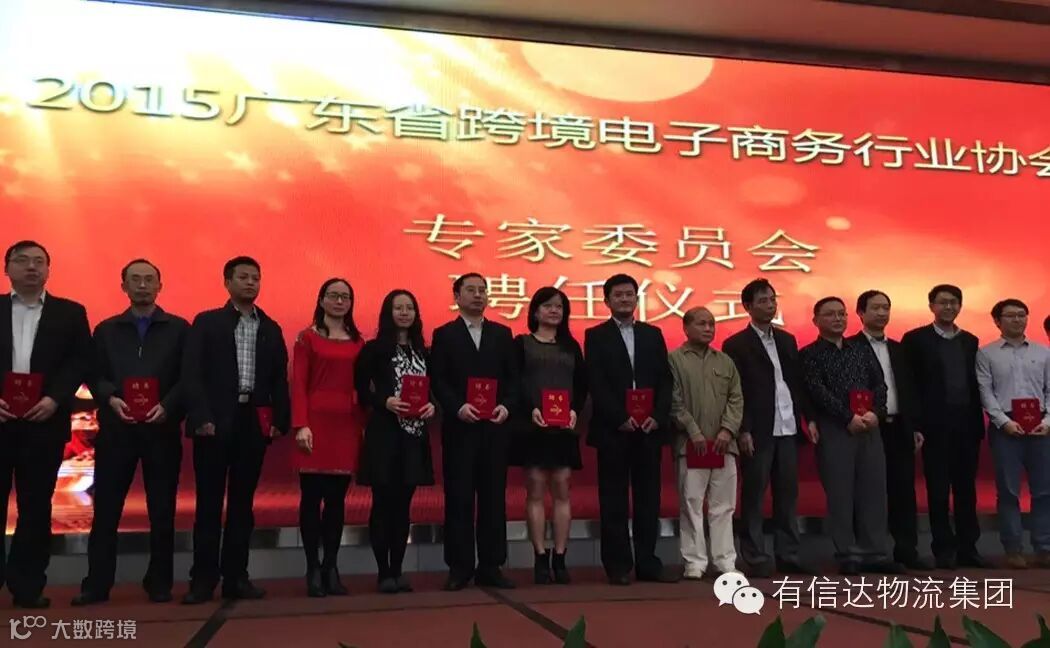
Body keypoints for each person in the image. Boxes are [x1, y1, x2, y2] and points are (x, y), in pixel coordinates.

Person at [74, 260, 189, 606]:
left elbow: (189, 376)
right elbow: (92, 373)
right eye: (135, 280)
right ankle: (97, 584)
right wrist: (110, 397)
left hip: (162, 429)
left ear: (160, 286)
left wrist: (168, 405)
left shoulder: (180, 329)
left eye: (149, 279)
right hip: (117, 430)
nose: (142, 285)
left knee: (162, 510)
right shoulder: (106, 330)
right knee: (106, 510)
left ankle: (159, 582)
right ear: (123, 286)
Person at [181, 256, 290, 604]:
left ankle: (236, 578)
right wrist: (201, 416)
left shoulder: (270, 327)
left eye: (256, 277)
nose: (250, 283)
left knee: (243, 505)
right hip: (213, 422)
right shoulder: (208, 322)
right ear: (227, 282)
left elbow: (279, 379)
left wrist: (279, 421)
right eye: (243, 277)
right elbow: (191, 373)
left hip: (251, 423)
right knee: (209, 505)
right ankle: (202, 580)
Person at [0, 240, 91, 609]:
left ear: (48, 270)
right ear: (7, 268)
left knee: (36, 506)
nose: (31, 267)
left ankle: (27, 586)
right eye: (22, 261)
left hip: (45, 422)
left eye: (39, 261)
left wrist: (54, 399)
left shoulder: (70, 313)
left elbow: (80, 361)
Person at [585, 274, 675, 585]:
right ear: (606, 301)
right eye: (618, 295)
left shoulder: (653, 334)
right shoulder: (595, 336)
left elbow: (665, 380)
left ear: (637, 299)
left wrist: (658, 416)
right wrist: (618, 416)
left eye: (629, 295)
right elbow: (596, 382)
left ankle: (648, 563)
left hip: (649, 430)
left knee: (648, 499)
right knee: (614, 500)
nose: (624, 299)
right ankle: (618, 565)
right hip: (614, 430)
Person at [722, 279, 815, 578]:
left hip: (787, 426)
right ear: (747, 306)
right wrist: (743, 429)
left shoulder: (787, 340)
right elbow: (736, 391)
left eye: (772, 299)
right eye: (762, 301)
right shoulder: (736, 345)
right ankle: (755, 556)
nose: (770, 305)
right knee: (754, 495)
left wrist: (807, 418)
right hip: (758, 430)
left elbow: (796, 384)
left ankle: (788, 554)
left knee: (787, 495)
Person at [430, 273, 519, 591]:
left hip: (495, 428)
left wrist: (506, 406)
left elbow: (513, 379)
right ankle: (459, 567)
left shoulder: (502, 334)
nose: (478, 295)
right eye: (471, 290)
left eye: (483, 290)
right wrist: (457, 407)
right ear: (457, 296)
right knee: (459, 498)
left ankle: (491, 565)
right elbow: (438, 379)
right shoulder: (444, 335)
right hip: (460, 428)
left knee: (494, 498)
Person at [801, 297, 901, 575]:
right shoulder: (809, 354)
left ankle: (874, 552)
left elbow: (879, 384)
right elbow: (817, 391)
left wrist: (876, 413)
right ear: (816, 320)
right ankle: (847, 552)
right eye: (830, 314)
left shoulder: (861, 349)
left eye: (841, 314)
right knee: (840, 493)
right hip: (835, 427)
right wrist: (847, 417)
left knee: (873, 490)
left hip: (869, 425)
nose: (837, 319)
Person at [354, 289, 436, 594]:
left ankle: (399, 570)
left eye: (409, 308)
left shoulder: (423, 351)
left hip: (414, 436)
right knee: (383, 503)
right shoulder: (374, 349)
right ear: (388, 313)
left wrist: (433, 406)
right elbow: (361, 389)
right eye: (398, 308)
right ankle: (383, 572)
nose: (404, 313)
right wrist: (384, 401)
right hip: (384, 435)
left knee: (403, 506)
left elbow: (434, 389)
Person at [901, 285, 988, 569]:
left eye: (954, 302)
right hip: (934, 426)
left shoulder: (970, 341)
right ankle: (943, 549)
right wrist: (914, 424)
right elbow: (909, 386)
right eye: (942, 302)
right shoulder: (915, 340)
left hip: (967, 425)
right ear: (931, 306)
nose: (948, 307)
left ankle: (968, 548)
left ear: (960, 306)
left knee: (966, 490)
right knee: (938, 490)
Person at [291, 278, 365, 597]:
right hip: (315, 423)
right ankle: (312, 567)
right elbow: (298, 384)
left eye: (345, 297)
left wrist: (363, 425)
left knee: (336, 502)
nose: (339, 301)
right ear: (321, 300)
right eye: (333, 296)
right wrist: (301, 424)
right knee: (311, 499)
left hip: (346, 424)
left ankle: (330, 567)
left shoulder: (358, 342)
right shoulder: (307, 338)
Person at [509, 287, 587, 585]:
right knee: (536, 489)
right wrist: (530, 409)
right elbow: (515, 383)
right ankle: (540, 556)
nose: (554, 311)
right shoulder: (522, 344)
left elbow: (581, 385)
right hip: (533, 426)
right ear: (535, 311)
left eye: (559, 307)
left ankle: (561, 556)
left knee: (563, 488)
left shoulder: (571, 346)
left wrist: (575, 410)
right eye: (548, 306)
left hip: (564, 427)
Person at [850, 290, 932, 570]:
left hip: (899, 427)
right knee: (868, 491)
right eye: (875, 308)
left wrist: (915, 426)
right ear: (860, 313)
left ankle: (907, 550)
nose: (882, 313)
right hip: (867, 428)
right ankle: (870, 551)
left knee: (903, 491)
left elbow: (910, 390)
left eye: (886, 307)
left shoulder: (900, 349)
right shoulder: (849, 348)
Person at [668, 307, 743, 580]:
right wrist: (693, 431)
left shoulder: (725, 361)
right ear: (685, 327)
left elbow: (736, 398)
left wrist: (727, 430)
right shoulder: (674, 360)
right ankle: (695, 562)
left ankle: (724, 561)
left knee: (724, 506)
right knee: (691, 504)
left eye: (711, 324)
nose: (708, 328)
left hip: (724, 445)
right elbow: (673, 400)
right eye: (701, 324)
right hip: (690, 445)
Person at [975, 299, 1050, 569]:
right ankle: (1013, 548)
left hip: (1041, 426)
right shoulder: (986, 354)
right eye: (1010, 316)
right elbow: (985, 392)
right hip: (1005, 427)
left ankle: (1044, 547)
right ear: (997, 321)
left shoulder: (1044, 352)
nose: (1017, 320)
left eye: (1022, 315)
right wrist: (1003, 421)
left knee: (1044, 490)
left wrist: (1048, 421)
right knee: (1008, 491)